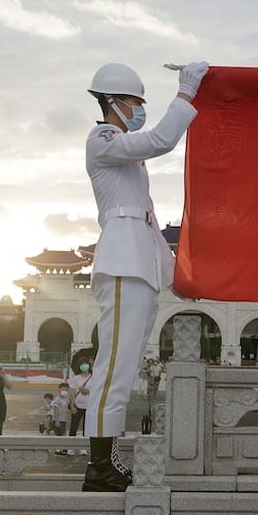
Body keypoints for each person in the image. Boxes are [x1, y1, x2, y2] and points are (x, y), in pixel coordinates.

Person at [81, 60, 209, 491]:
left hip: (139, 265)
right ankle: (98, 466)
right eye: (136, 101)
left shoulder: (129, 159)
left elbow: (152, 226)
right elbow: (160, 140)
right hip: (122, 263)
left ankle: (107, 458)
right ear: (113, 101)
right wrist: (186, 95)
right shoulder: (103, 138)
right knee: (114, 365)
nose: (140, 108)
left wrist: (177, 278)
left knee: (126, 364)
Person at [68, 358, 92, 455]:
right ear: (79, 366)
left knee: (86, 428)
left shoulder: (93, 377)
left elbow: (97, 391)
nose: (84, 366)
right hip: (77, 406)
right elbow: (72, 392)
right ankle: (71, 448)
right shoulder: (75, 378)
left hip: (89, 407)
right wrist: (72, 405)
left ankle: (83, 448)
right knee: (73, 427)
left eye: (86, 364)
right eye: (82, 364)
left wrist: (88, 391)